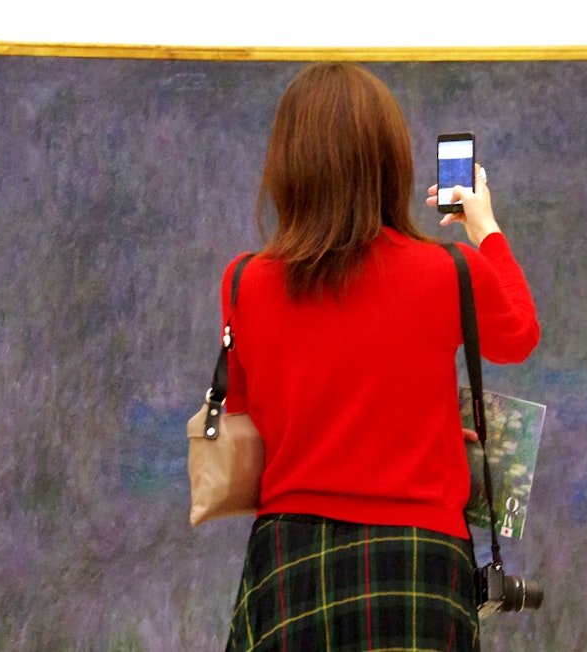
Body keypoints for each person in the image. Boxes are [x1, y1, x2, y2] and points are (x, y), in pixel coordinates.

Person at [220, 62, 540, 651]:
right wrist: (486, 229)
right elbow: (519, 333)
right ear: (390, 162)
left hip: (291, 564)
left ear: (287, 163)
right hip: (419, 561)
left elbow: (250, 420)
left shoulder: (245, 282)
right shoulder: (451, 273)